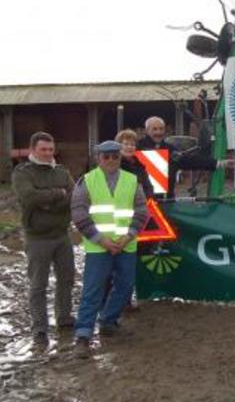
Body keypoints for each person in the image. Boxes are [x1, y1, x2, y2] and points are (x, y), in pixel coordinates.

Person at [71, 140, 148, 357]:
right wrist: (100, 239)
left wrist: (128, 236)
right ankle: (83, 335)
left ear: (120, 158)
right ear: (98, 158)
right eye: (106, 156)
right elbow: (79, 214)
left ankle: (108, 321)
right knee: (93, 290)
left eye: (115, 156)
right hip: (98, 247)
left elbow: (142, 211)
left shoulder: (132, 180)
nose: (111, 160)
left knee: (125, 286)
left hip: (126, 244)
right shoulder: (87, 181)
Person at [11, 132, 76, 347]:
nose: (48, 154)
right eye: (43, 150)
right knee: (38, 285)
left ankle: (64, 319)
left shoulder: (62, 171)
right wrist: (58, 194)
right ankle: (39, 329)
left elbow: (73, 196)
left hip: (62, 235)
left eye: (51, 149)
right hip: (37, 237)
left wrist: (49, 201)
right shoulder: (22, 172)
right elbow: (28, 198)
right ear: (33, 150)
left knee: (66, 280)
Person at [137, 116, 228, 198]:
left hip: (166, 201)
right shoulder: (137, 148)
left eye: (161, 129)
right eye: (155, 129)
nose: (158, 132)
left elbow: (190, 161)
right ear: (147, 130)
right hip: (143, 202)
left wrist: (218, 163)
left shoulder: (170, 149)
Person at [116, 129, 154, 198]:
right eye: (126, 144)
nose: (129, 147)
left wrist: (148, 200)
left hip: (140, 204)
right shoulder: (115, 165)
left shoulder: (139, 165)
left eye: (132, 144)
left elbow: (148, 187)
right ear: (118, 146)